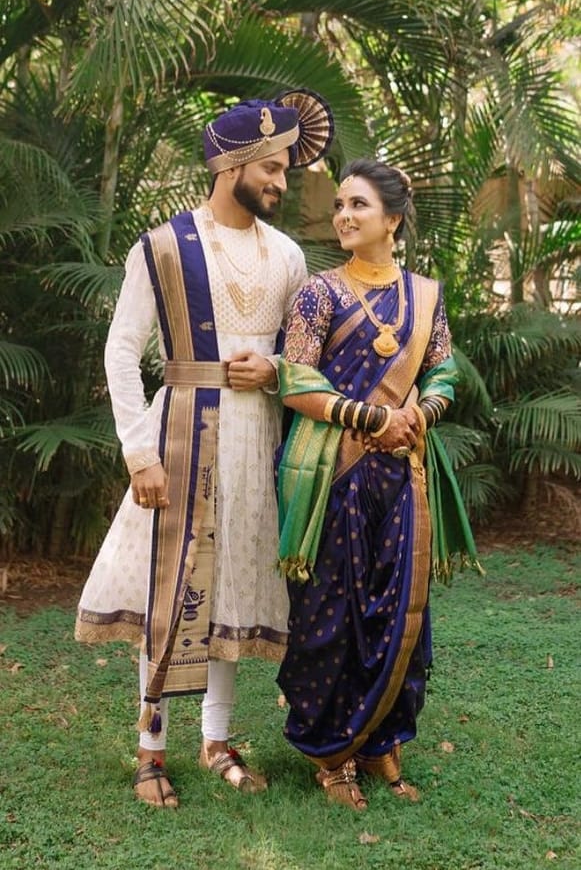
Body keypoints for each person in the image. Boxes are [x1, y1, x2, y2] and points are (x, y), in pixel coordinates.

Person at [75, 89, 334, 808]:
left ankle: (216, 740)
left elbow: (303, 357)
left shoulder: (287, 256)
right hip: (179, 438)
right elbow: (121, 350)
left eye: (284, 169)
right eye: (272, 168)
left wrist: (274, 369)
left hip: (259, 444)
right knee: (171, 585)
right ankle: (150, 747)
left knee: (235, 589)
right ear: (232, 165)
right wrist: (139, 453)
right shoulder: (162, 247)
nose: (282, 182)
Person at [275, 158, 480, 811]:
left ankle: (380, 741)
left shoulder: (425, 296)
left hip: (402, 477)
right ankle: (330, 753)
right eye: (339, 205)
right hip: (332, 475)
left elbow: (442, 371)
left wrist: (422, 413)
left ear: (392, 219)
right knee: (329, 615)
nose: (343, 215)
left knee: (399, 611)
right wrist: (371, 419)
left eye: (357, 204)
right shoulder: (318, 294)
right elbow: (295, 381)